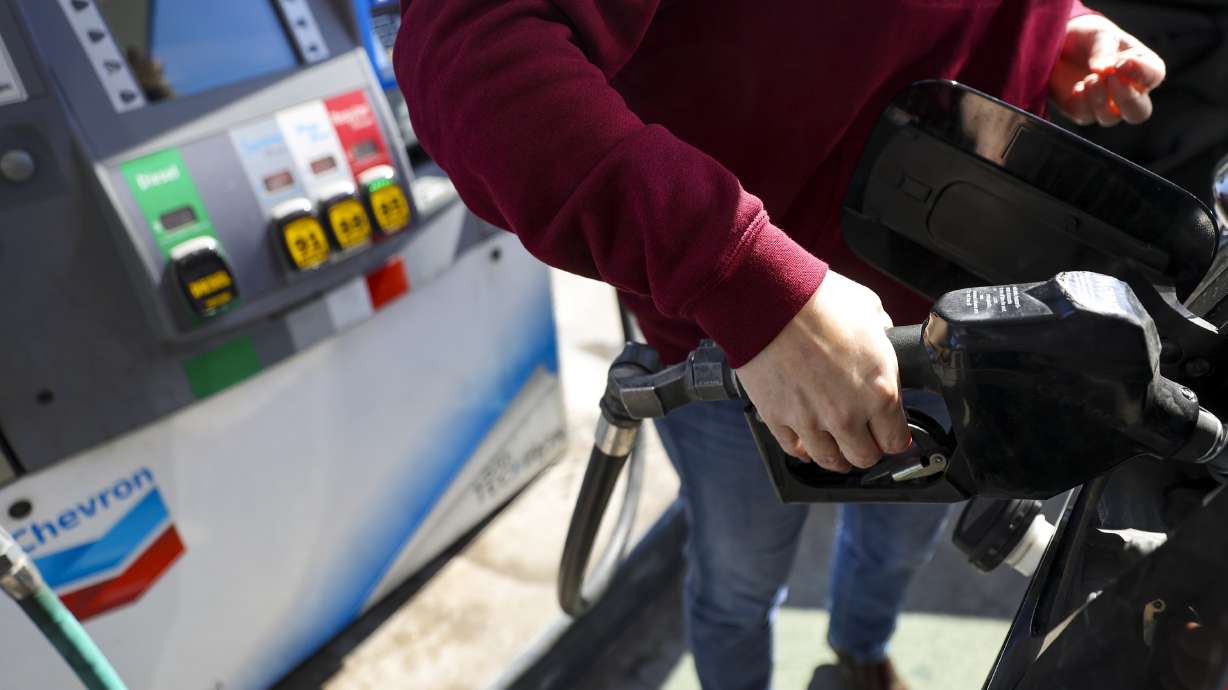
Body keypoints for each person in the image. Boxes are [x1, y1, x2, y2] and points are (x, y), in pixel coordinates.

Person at [394, 3, 1165, 689]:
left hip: (964, 322)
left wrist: (1049, 31)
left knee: (894, 551)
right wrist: (742, 278)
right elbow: (469, 54)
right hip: (739, 353)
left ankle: (861, 656)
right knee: (738, 582)